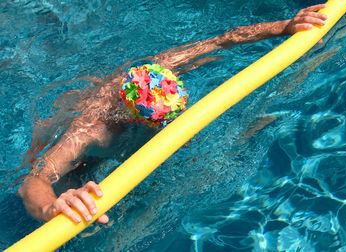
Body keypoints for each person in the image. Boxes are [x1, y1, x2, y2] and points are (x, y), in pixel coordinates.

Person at [18, 4, 328, 224]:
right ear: (132, 114)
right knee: (76, 204)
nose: (167, 123)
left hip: (125, 130)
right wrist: (49, 206)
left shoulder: (160, 68)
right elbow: (34, 179)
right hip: (70, 150)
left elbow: (223, 40)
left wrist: (285, 26)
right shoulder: (89, 131)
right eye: (157, 120)